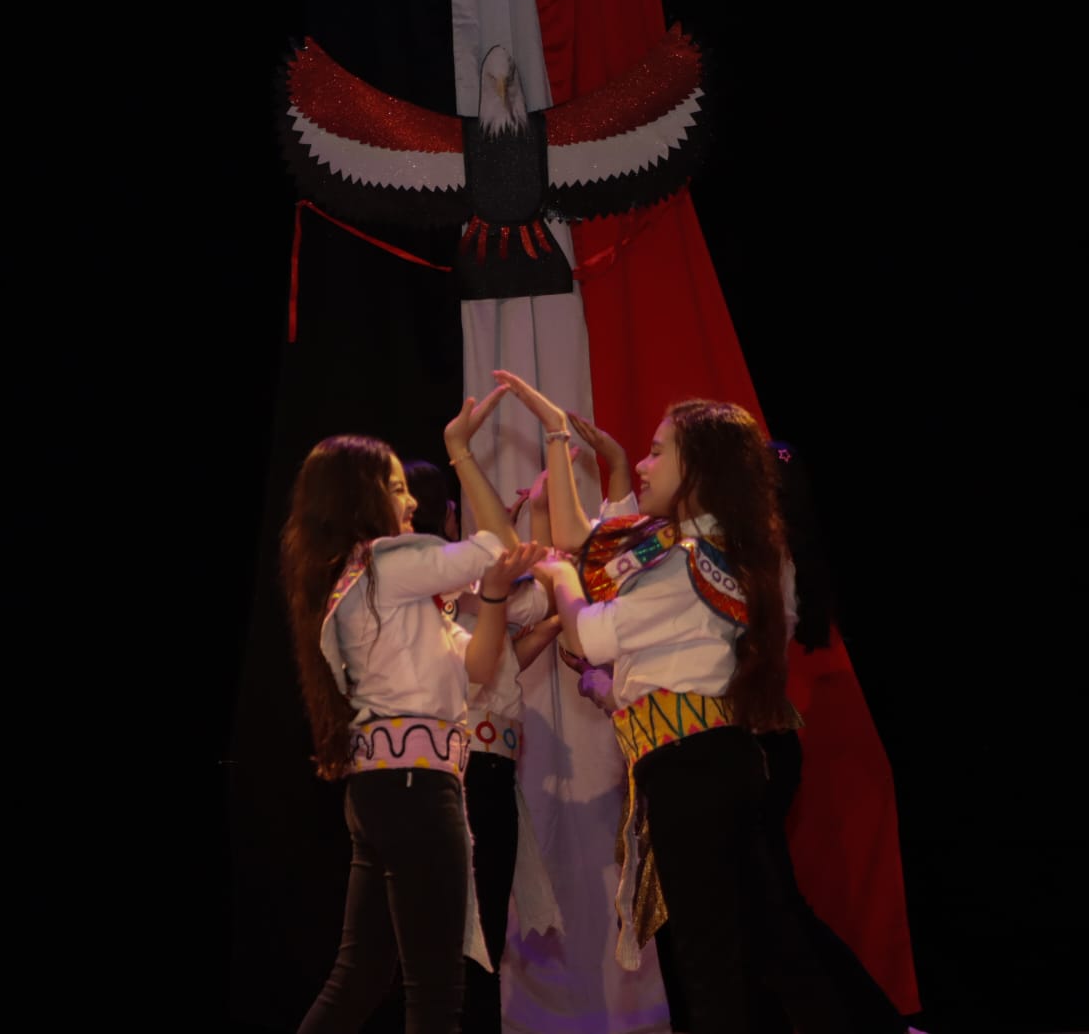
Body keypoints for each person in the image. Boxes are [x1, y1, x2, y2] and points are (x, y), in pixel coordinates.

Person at [495, 367, 853, 1033]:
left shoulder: (685, 559)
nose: (643, 462)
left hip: (693, 766)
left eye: (658, 451)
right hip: (710, 759)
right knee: (768, 943)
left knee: (711, 955)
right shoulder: (721, 550)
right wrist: (563, 442)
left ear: (700, 470)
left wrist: (561, 578)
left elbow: (591, 631)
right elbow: (597, 548)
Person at [281, 389, 546, 1034]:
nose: (410, 503)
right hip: (413, 788)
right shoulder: (387, 563)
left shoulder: (371, 580)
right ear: (361, 497)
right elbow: (497, 546)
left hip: (391, 787)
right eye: (397, 489)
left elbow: (477, 667)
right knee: (433, 993)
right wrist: (460, 451)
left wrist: (492, 595)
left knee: (361, 979)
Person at [398, 459, 563, 1034]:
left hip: (486, 768)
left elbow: (509, 649)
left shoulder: (454, 591)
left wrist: (553, 624)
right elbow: (534, 594)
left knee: (478, 937)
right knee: (465, 942)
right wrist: (524, 525)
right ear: (445, 514)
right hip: (465, 772)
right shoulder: (436, 586)